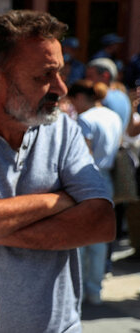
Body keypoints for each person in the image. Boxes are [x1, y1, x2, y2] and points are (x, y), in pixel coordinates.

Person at [0, 10, 115, 332]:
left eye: (61, 73)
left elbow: (101, 222)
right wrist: (56, 201)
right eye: (44, 76)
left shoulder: (63, 130)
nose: (61, 88)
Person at [68, 79, 122, 305]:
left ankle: (79, 292)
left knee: (81, 239)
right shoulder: (113, 116)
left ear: (80, 98)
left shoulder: (86, 119)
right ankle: (95, 290)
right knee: (100, 240)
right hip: (108, 178)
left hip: (88, 179)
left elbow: (84, 155)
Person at [86, 58, 131, 132]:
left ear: (105, 76)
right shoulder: (124, 96)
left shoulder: (101, 98)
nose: (87, 81)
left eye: (90, 76)